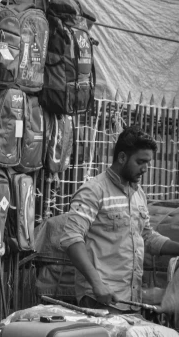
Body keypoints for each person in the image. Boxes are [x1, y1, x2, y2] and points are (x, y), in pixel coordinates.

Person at [60, 125, 179, 311]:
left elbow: (147, 236)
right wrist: (97, 284)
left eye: (148, 163)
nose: (145, 169)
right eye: (140, 162)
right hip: (102, 299)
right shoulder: (93, 191)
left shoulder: (138, 193)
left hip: (132, 299)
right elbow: (71, 239)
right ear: (122, 157)